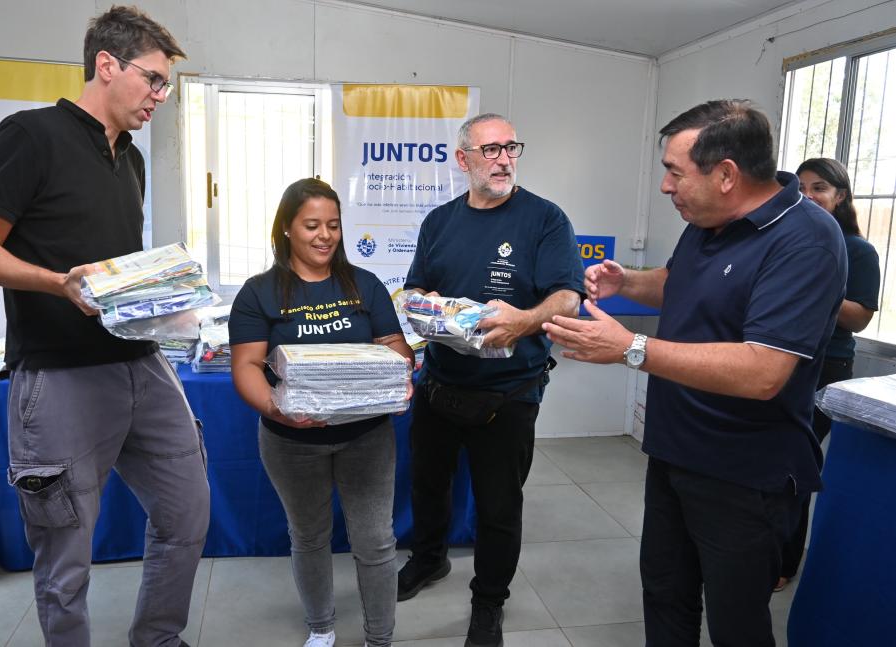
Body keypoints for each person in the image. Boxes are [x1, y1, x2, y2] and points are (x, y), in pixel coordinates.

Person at [542, 100, 847, 647]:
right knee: (665, 596)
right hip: (675, 451)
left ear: (726, 174)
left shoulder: (806, 239)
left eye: (674, 172)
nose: (664, 186)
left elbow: (764, 371)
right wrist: (628, 283)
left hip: (742, 473)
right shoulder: (707, 220)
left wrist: (632, 348)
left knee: (736, 622)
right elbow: (681, 281)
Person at [0, 6, 208, 647]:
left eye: (166, 85)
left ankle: (157, 638)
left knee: (188, 514)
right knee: (65, 563)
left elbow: (112, 271)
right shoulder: (29, 135)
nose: (161, 95)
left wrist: (160, 297)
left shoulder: (132, 160)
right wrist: (58, 282)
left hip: (140, 364)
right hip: (59, 376)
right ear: (106, 65)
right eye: (153, 79)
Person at [397, 113, 583, 647]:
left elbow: (567, 295)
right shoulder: (439, 222)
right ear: (464, 160)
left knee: (498, 507)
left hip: (509, 393)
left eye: (511, 147)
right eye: (491, 149)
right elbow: (414, 289)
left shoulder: (545, 219)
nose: (504, 158)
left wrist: (523, 321)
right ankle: (429, 561)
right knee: (428, 486)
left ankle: (488, 604)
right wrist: (421, 307)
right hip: (440, 382)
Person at [229, 178, 414, 647]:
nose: (324, 235)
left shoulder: (365, 285)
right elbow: (247, 366)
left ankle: (380, 638)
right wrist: (279, 409)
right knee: (309, 536)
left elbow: (395, 347)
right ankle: (321, 628)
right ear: (287, 229)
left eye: (332, 225)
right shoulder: (259, 292)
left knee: (375, 541)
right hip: (291, 441)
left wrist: (400, 367)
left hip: (366, 436)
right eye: (311, 225)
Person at [775, 157, 881, 591]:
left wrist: (820, 285)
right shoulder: (788, 241)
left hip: (829, 368)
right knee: (772, 460)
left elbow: (858, 319)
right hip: (783, 359)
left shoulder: (858, 250)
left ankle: (783, 563)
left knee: (793, 463)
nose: (808, 196)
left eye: (819, 188)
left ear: (841, 196)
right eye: (800, 188)